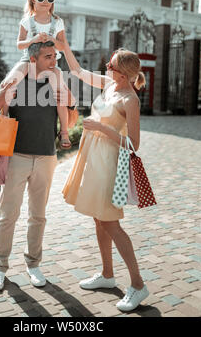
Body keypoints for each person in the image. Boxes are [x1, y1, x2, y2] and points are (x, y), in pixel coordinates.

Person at [61, 39, 150, 312]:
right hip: (94, 158)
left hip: (113, 164)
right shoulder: (110, 85)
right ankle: (108, 275)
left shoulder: (129, 99)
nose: (105, 68)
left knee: (111, 223)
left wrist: (102, 128)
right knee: (99, 220)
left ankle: (137, 285)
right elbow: (78, 71)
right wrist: (63, 46)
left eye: (109, 66)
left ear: (122, 74)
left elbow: (134, 144)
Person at [0, 40, 75, 292]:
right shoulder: (18, 78)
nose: (54, 61)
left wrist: (65, 131)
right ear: (33, 60)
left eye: (56, 56)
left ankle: (33, 264)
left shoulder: (55, 80)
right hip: (16, 156)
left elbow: (67, 109)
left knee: (38, 216)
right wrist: (4, 96)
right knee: (8, 215)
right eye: (49, 56)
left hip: (46, 156)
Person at [0, 0, 75, 149]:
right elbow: (19, 44)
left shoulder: (57, 22)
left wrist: (52, 39)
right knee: (8, 83)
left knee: (60, 92)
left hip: (50, 63)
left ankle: (64, 132)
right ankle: (2, 122)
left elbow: (62, 46)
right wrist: (33, 40)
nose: (46, 1)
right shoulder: (27, 21)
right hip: (29, 60)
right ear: (33, 0)